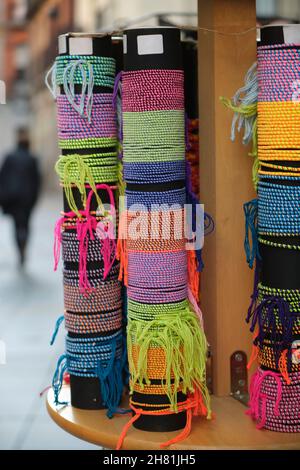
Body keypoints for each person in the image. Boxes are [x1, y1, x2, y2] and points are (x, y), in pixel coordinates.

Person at [0, 128, 41, 266]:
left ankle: (20, 249)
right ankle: (23, 246)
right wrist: (35, 199)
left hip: (13, 199)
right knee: (25, 225)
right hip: (27, 199)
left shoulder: (9, 157)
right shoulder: (32, 159)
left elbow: (2, 178)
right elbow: (37, 181)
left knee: (17, 225)